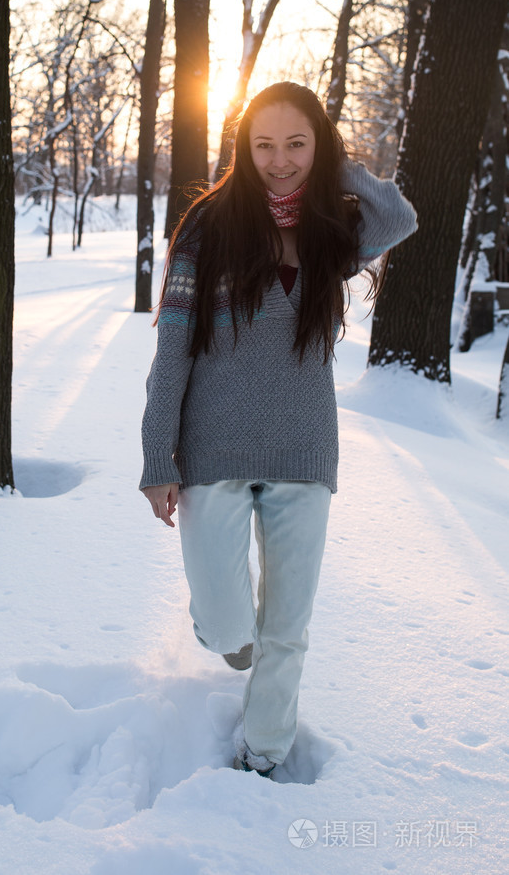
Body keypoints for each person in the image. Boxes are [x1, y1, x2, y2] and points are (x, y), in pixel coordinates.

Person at [139, 81, 417, 776]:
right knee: (233, 625)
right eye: (264, 145)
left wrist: (337, 167)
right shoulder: (210, 227)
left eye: (297, 143)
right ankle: (226, 640)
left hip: (304, 448)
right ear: (244, 147)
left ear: (317, 144)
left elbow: (400, 215)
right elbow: (172, 348)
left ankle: (263, 754)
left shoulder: (332, 229)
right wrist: (157, 456)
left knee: (287, 627)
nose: (281, 160)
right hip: (213, 447)